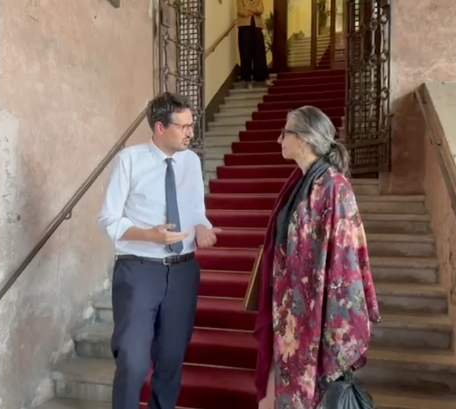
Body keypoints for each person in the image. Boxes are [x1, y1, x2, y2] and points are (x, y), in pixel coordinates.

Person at [252, 106, 381, 409]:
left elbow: (346, 260)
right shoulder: (299, 182)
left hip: (318, 314)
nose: (279, 139)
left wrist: (332, 327)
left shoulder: (334, 186)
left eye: (285, 132)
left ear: (305, 139)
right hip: (292, 313)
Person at [98, 92, 221, 409]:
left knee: (171, 358)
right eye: (184, 126)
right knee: (133, 360)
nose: (191, 132)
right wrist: (149, 235)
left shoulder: (191, 162)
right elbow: (108, 218)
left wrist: (202, 227)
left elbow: (196, 210)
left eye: (192, 124)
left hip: (183, 271)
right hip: (139, 270)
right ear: (160, 127)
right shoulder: (129, 160)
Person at [237, 0, 273, 89]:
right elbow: (241, 11)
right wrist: (254, 10)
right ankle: (248, 80)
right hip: (244, 28)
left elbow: (261, 10)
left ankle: (265, 78)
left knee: (260, 52)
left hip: (257, 27)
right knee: (246, 53)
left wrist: (248, 9)